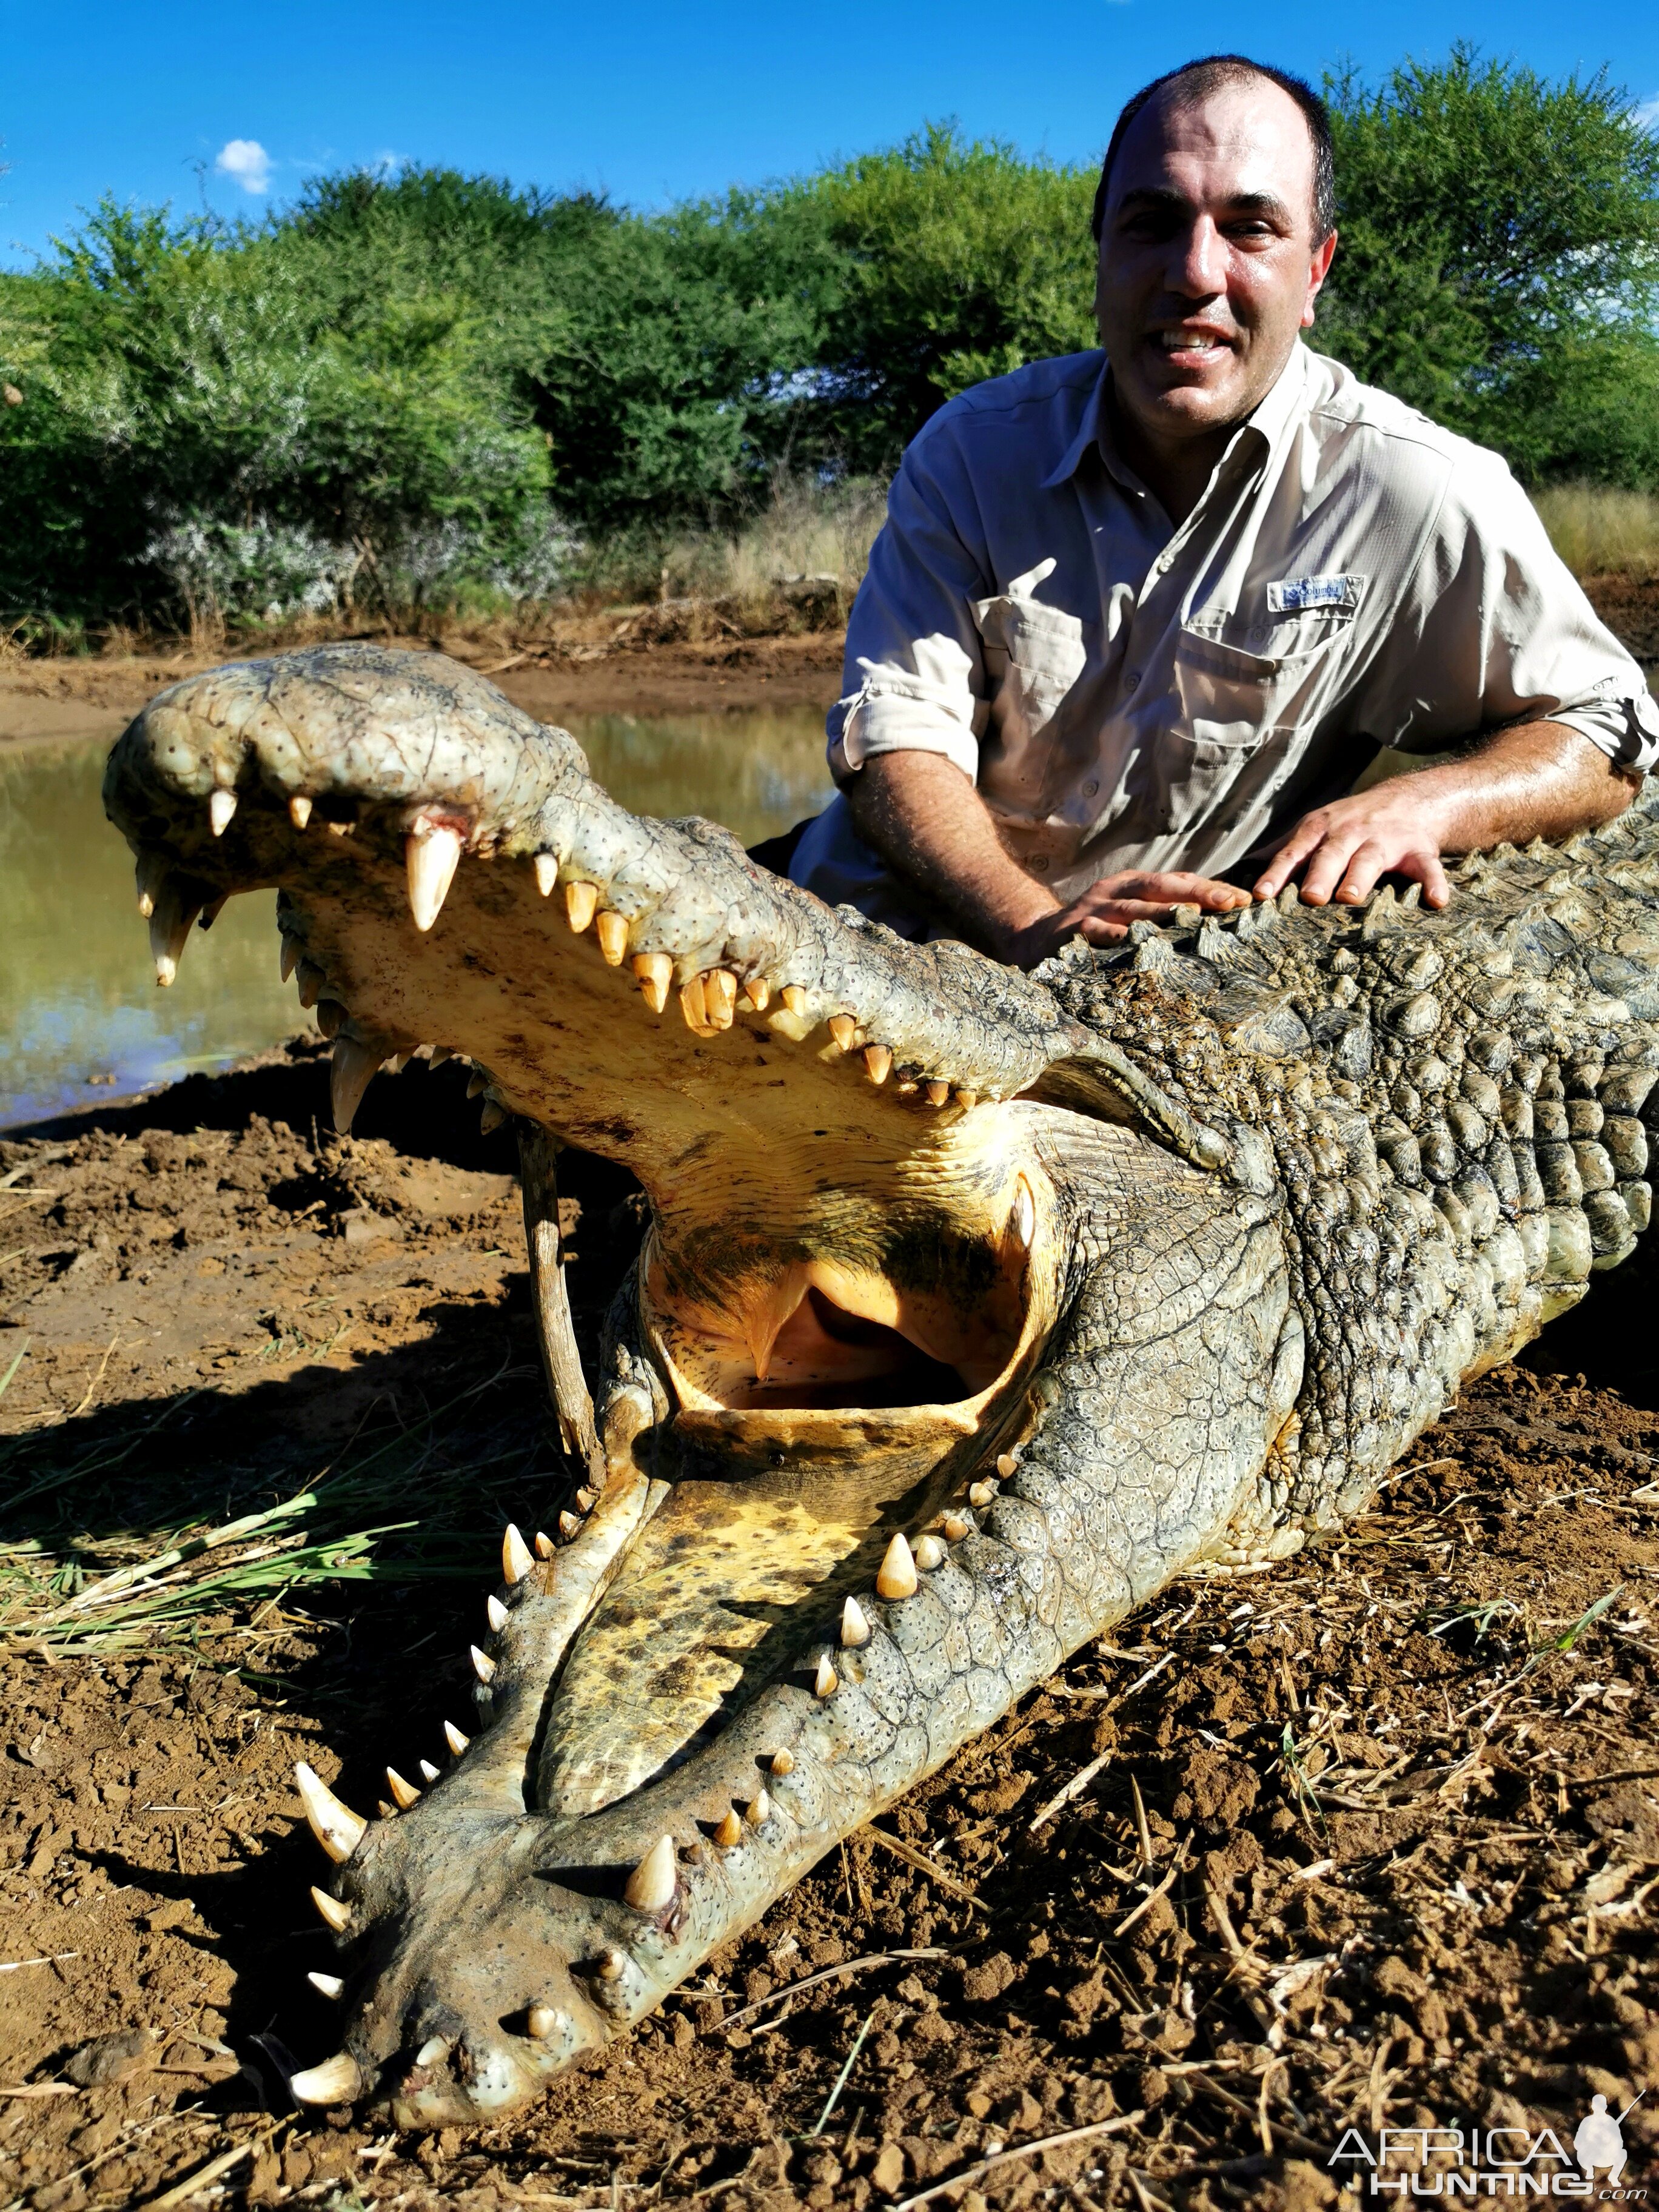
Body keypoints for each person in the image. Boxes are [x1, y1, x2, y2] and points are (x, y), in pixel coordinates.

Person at [786, 55, 1659, 968]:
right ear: (1103, 254)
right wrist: (1033, 926)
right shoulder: (970, 451)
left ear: (1315, 271)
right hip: (852, 944)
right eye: (1152, 224)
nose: (1194, 272)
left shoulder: (1419, 492)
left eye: (1250, 228)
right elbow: (894, 741)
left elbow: (1609, 727)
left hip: (1147, 1006)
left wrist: (1430, 802)